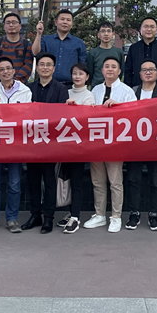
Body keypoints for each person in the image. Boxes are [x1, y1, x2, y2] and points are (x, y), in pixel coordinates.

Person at [84, 58, 136, 233]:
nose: (110, 69)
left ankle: (116, 216)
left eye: (114, 67)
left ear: (119, 71)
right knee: (98, 181)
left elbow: (135, 113)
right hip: (97, 142)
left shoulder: (127, 91)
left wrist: (119, 107)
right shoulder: (95, 90)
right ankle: (99, 215)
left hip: (116, 143)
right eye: (107, 66)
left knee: (115, 182)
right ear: (102, 70)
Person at [0, 57, 32, 233]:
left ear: (13, 71)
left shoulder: (25, 91)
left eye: (8, 68)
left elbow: (28, 116)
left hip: (16, 144)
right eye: (1, 69)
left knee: (14, 183)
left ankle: (12, 219)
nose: (5, 72)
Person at [23, 52, 69, 234]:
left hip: (51, 142)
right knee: (32, 180)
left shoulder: (61, 89)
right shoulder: (28, 88)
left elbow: (61, 115)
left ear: (54, 68)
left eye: (48, 64)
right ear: (37, 68)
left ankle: (48, 217)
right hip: (31, 142)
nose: (45, 67)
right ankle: (35, 215)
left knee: (49, 181)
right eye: (41, 64)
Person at [126, 59, 157, 231]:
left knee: (156, 180)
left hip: (156, 145)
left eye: (152, 69)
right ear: (139, 74)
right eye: (144, 69)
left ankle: (154, 214)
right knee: (133, 179)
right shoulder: (131, 92)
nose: (148, 72)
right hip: (134, 145)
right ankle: (134, 213)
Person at [60, 62, 95, 234]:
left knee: (76, 181)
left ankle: (76, 216)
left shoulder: (89, 95)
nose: (77, 76)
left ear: (87, 77)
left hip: (79, 147)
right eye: (74, 73)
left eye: (81, 73)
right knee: (65, 179)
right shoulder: (64, 92)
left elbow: (87, 119)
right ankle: (70, 212)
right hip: (63, 144)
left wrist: (75, 109)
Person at [32, 9, 87, 85]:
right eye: (62, 19)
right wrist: (38, 34)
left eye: (68, 20)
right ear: (56, 22)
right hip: (48, 84)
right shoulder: (46, 40)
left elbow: (83, 64)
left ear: (72, 24)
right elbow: (35, 53)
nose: (65, 22)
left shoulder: (78, 43)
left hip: (70, 85)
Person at [123, 16, 157, 88]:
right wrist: (128, 89)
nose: (149, 29)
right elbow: (128, 70)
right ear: (141, 30)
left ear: (156, 30)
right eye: (146, 27)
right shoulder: (133, 48)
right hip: (136, 89)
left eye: (152, 27)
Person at [0, 12, 33, 84]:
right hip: (0, 85)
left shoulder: (27, 44)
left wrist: (14, 82)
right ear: (4, 26)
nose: (11, 25)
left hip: (20, 86)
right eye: (8, 23)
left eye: (14, 22)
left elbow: (28, 65)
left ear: (20, 26)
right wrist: (3, 78)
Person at [86, 21, 125, 88]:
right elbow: (90, 73)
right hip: (97, 87)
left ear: (113, 34)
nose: (106, 34)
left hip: (114, 88)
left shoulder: (119, 52)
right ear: (98, 35)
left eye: (109, 31)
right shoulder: (93, 52)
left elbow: (121, 71)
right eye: (103, 31)